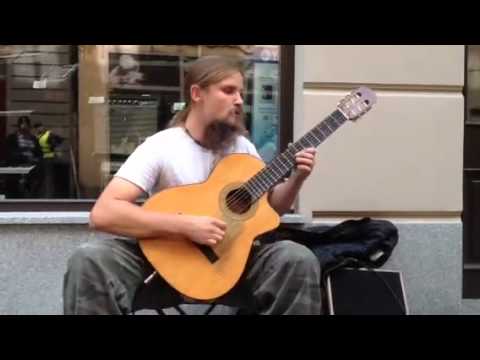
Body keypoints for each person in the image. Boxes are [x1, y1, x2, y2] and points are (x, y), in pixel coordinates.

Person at [63, 55, 322, 315]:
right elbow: (104, 213)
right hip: (162, 268)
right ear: (197, 93)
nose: (240, 101)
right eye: (229, 91)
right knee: (90, 259)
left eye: (241, 93)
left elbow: (269, 211)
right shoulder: (161, 146)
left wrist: (297, 178)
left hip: (232, 266)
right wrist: (186, 226)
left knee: (296, 258)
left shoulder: (243, 148)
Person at [5, 116, 44, 198]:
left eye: (26, 125)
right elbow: (10, 153)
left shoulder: (33, 139)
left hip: (32, 168)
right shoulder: (12, 138)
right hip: (17, 167)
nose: (24, 127)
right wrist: (22, 157)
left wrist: (36, 159)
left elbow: (39, 153)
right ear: (19, 127)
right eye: (22, 125)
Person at [33, 122, 64, 198]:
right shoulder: (39, 136)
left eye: (39, 127)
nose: (39, 129)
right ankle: (43, 195)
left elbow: (59, 140)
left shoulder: (48, 134)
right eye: (37, 128)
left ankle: (48, 196)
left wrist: (56, 149)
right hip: (42, 159)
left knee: (48, 177)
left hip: (49, 158)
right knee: (42, 178)